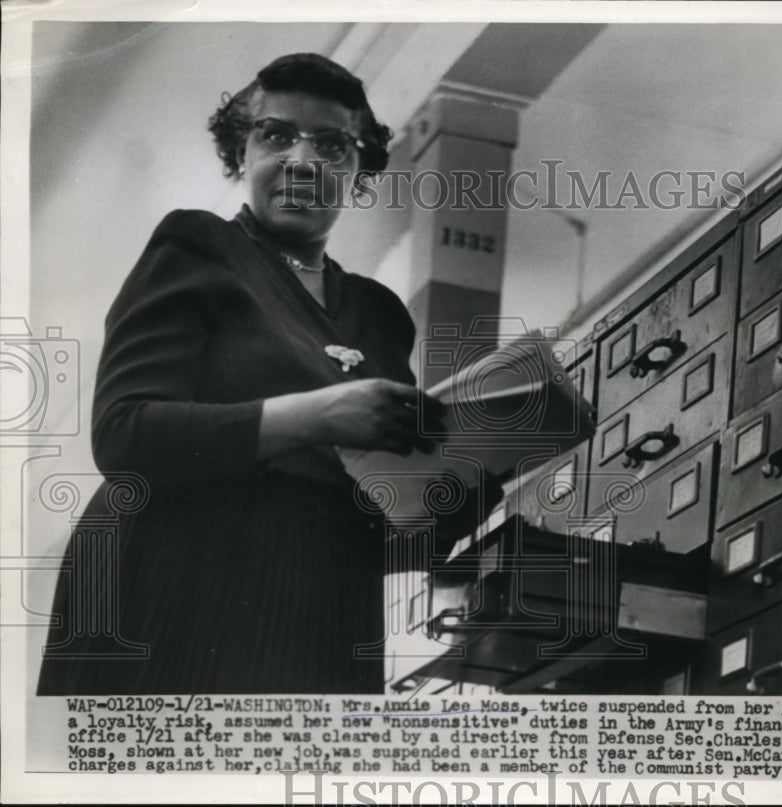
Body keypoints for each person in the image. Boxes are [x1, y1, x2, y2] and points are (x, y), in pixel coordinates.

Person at [36, 53, 493, 695]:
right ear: (240, 155)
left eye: (333, 144)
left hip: (320, 614)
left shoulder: (378, 313)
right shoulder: (200, 247)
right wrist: (318, 417)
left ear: (359, 171)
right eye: (276, 135)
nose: (304, 161)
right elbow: (123, 435)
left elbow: (364, 523)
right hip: (176, 592)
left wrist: (446, 507)